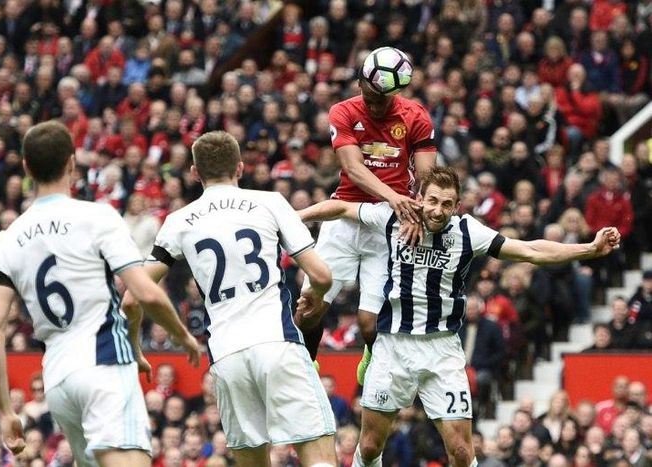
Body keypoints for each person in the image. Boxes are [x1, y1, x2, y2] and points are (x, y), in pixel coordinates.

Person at [298, 166, 621, 467]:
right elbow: (341, 208)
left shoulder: (468, 232)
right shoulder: (394, 216)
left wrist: (588, 249)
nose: (438, 210)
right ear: (420, 197)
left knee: (463, 452)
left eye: (447, 204)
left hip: (443, 352)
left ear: (458, 205)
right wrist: (296, 217)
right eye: (433, 201)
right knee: (369, 446)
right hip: (392, 346)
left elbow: (530, 250)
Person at [0, 121, 201, 467]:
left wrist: (5, 411)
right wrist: (183, 336)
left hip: (57, 380)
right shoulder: (97, 217)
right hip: (103, 364)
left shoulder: (8, 239)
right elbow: (146, 292)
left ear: (26, 168)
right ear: (71, 163)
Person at [123, 131, 337, 467]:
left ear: (195, 172)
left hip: (226, 355)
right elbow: (322, 276)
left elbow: (132, 301)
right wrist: (317, 296)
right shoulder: (270, 203)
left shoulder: (178, 221)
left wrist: (135, 346)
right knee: (318, 456)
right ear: (240, 168)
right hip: (276, 342)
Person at [301, 46, 436, 377]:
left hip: (390, 225)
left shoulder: (415, 116)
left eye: (385, 100)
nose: (377, 106)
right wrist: (393, 197)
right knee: (308, 308)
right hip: (345, 215)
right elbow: (353, 167)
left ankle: (372, 356)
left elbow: (426, 174)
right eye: (373, 97)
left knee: (368, 324)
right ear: (361, 81)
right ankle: (308, 366)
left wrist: (418, 203)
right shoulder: (343, 112)